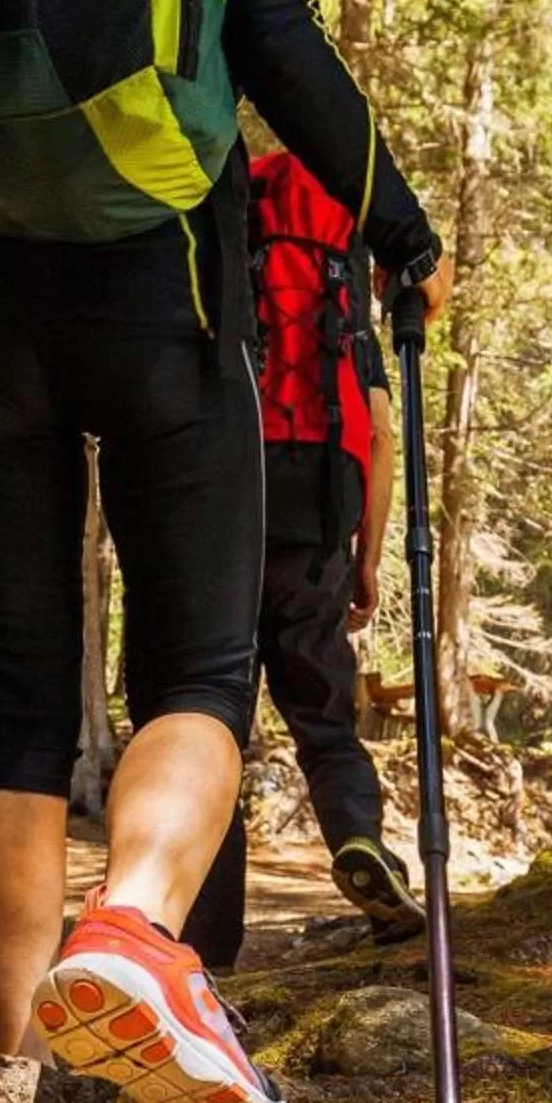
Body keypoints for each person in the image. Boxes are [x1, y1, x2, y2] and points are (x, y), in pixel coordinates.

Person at [0, 0, 448, 1103]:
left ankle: (31, 1057)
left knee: (20, 711)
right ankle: (140, 943)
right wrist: (398, 229)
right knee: (202, 675)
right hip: (163, 282)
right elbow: (273, 35)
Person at [178, 148, 427, 975]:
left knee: (214, 719)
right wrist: (368, 555)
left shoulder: (228, 261)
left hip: (223, 508)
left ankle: (205, 945)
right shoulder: (341, 288)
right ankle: (359, 837)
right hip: (318, 513)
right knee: (325, 716)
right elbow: (382, 435)